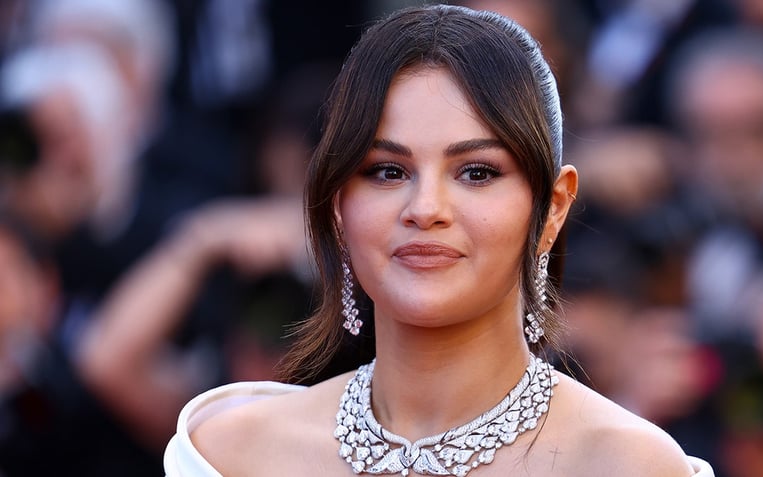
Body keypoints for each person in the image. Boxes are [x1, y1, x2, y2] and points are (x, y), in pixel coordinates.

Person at [164, 5, 713, 476]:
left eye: (476, 172)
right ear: (336, 205)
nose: (425, 210)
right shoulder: (234, 454)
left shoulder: (625, 465)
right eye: (386, 171)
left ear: (552, 209)